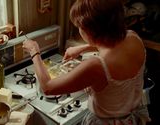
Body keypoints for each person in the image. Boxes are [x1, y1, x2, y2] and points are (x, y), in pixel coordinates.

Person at [22, 0, 151, 124]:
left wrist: (34, 52)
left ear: (90, 31)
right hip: (133, 117)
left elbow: (48, 87)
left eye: (79, 26)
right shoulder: (132, 37)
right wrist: (83, 48)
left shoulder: (97, 65)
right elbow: (112, 44)